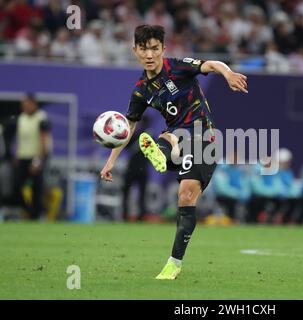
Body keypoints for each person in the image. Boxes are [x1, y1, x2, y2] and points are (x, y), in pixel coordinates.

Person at [100, 25, 248, 280]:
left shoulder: (177, 67)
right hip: (177, 138)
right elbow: (129, 127)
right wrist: (110, 161)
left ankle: (174, 263)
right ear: (135, 50)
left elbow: (211, 64)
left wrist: (228, 73)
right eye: (144, 49)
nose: (149, 54)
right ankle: (161, 152)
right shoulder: (140, 90)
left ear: (163, 49)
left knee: (186, 195)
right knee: (169, 135)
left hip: (206, 138)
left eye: (155, 49)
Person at [14, 94, 52, 220]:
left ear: (34, 104)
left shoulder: (41, 117)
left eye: (27, 104)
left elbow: (43, 140)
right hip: (23, 156)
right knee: (18, 185)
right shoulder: (21, 118)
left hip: (36, 157)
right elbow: (20, 139)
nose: (25, 107)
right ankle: (28, 211)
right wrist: (17, 154)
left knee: (37, 187)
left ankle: (36, 215)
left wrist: (37, 161)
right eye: (23, 105)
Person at [122, 115, 151, 222]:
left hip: (139, 169)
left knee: (141, 194)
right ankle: (125, 214)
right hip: (136, 169)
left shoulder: (147, 137)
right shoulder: (137, 136)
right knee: (127, 192)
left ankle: (140, 215)